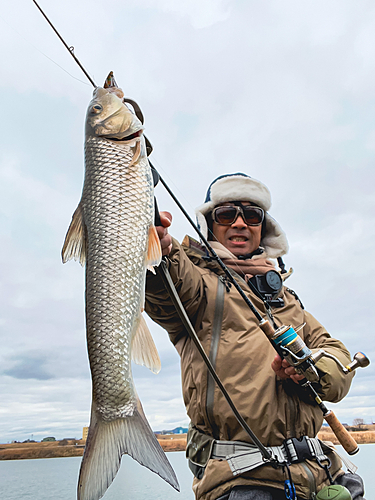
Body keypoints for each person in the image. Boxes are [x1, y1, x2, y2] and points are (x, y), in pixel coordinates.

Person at [145, 173, 365, 500]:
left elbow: (336, 355)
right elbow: (166, 286)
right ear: (210, 223)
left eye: (251, 215)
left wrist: (312, 371)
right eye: (225, 214)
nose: (239, 223)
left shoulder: (288, 299)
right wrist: (155, 247)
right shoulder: (197, 285)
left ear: (263, 226)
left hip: (322, 475)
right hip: (242, 483)